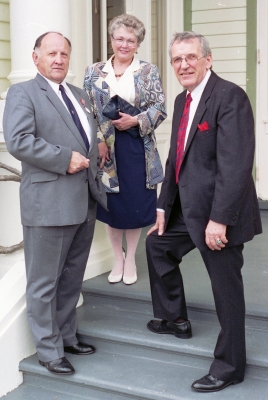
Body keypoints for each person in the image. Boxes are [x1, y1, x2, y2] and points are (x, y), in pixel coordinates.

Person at [146, 31, 262, 393]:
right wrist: (164, 205)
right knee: (157, 246)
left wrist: (220, 219)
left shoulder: (229, 97)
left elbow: (236, 165)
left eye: (191, 57)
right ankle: (174, 318)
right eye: (177, 59)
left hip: (219, 214)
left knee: (225, 289)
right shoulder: (182, 100)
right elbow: (175, 157)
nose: (184, 65)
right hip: (186, 208)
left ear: (207, 60)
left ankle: (229, 366)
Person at [3, 32, 107, 375]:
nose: (59, 59)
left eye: (64, 53)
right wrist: (65, 158)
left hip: (84, 200)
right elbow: (18, 141)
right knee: (44, 281)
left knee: (71, 277)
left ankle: (66, 334)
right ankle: (48, 350)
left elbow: (87, 138)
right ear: (36, 58)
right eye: (52, 53)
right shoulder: (23, 92)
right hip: (48, 203)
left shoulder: (79, 95)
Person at [84, 14, 166, 285]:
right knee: (112, 206)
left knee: (135, 204)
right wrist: (97, 140)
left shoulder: (147, 71)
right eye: (119, 38)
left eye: (130, 40)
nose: (124, 44)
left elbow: (159, 108)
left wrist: (137, 120)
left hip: (137, 147)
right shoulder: (93, 72)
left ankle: (130, 257)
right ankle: (116, 259)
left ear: (138, 44)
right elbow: (88, 111)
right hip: (106, 148)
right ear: (111, 40)